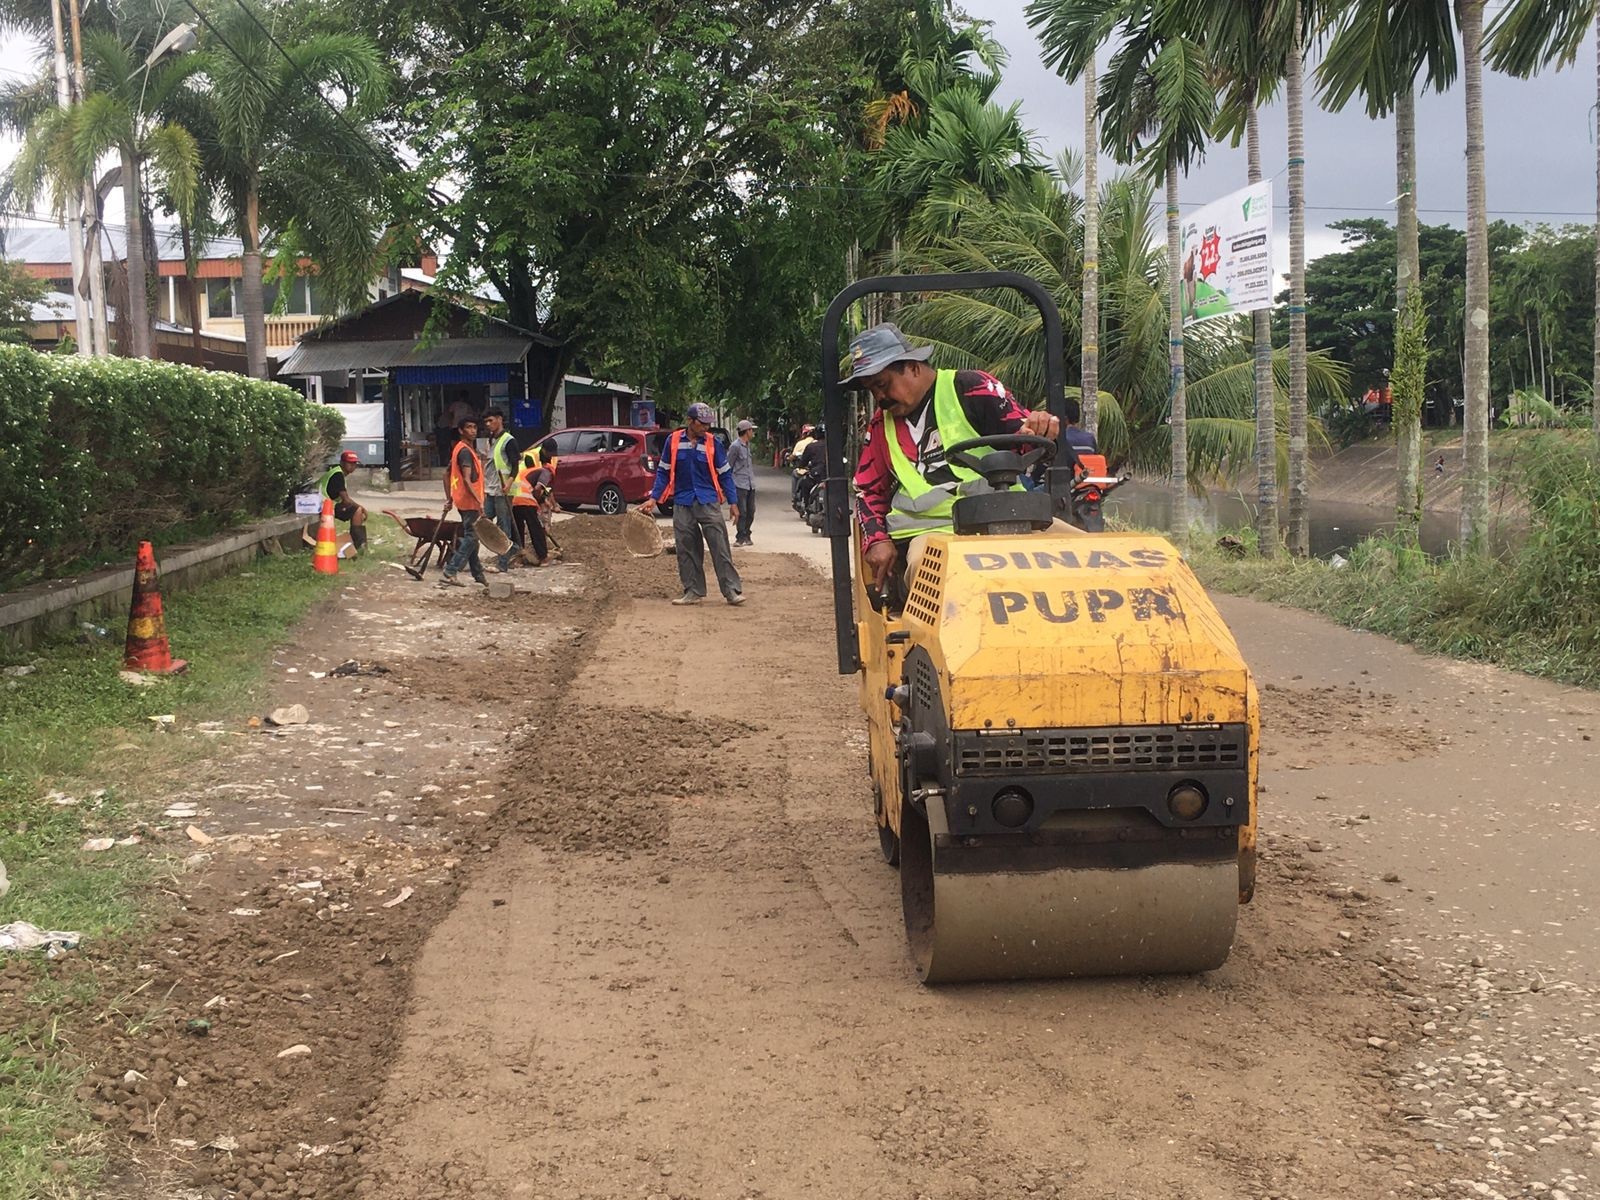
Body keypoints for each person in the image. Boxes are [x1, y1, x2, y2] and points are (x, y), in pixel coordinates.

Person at [845, 322, 1058, 593]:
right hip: (928, 535)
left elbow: (1024, 436)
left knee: (1088, 559)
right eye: (873, 391)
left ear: (912, 367)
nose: (880, 398)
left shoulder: (971, 389)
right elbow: (867, 490)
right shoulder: (880, 427)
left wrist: (1041, 428)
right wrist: (876, 540)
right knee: (936, 577)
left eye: (882, 385)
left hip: (1006, 519)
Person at [640, 401, 744, 606]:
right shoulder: (674, 441)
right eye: (702, 423)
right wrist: (654, 498)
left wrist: (733, 502)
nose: (705, 428)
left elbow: (725, 475)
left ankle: (731, 590)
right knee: (686, 548)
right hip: (682, 501)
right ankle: (693, 590)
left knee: (720, 546)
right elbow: (663, 471)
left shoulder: (713, 443)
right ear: (690, 421)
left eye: (707, 424)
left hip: (708, 501)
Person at [440, 416, 487, 587]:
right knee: (472, 537)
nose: (473, 430)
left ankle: (478, 574)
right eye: (468, 427)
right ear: (461, 430)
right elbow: (466, 480)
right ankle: (450, 570)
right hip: (469, 502)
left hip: (462, 501)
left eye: (475, 427)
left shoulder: (459, 449)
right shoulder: (465, 452)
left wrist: (450, 499)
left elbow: (446, 474)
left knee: (471, 536)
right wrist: (479, 501)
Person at [480, 409, 520, 572]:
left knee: (504, 525)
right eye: (486, 422)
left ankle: (503, 563)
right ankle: (514, 548)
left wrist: (509, 483)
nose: (488, 424)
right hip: (491, 488)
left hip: (504, 489)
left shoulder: (509, 441)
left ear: (499, 419)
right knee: (484, 521)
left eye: (491, 421)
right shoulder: (492, 439)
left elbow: (515, 466)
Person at [508, 445, 552, 566]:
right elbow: (538, 489)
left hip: (515, 499)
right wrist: (540, 501)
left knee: (518, 528)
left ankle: (518, 558)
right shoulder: (546, 472)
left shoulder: (527, 471)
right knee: (535, 528)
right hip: (526, 499)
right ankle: (543, 557)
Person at [319, 450, 368, 554]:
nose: (352, 466)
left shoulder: (338, 473)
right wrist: (362, 507)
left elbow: (344, 498)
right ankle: (359, 546)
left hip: (324, 505)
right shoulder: (337, 475)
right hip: (322, 506)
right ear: (342, 463)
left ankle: (358, 546)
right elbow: (346, 500)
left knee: (356, 509)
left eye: (354, 463)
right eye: (349, 463)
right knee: (357, 510)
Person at [728, 419, 757, 546]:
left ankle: (747, 534)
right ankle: (740, 537)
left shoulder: (747, 446)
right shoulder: (735, 446)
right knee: (742, 511)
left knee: (751, 511)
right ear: (747, 431)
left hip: (750, 484)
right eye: (751, 430)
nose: (752, 433)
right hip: (739, 484)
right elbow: (729, 465)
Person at [436, 391, 475, 466]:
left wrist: (451, 422)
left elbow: (450, 414)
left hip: (455, 426)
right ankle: (456, 458)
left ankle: (456, 457)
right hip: (461, 427)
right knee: (462, 443)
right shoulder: (466, 406)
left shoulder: (455, 405)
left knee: (455, 443)